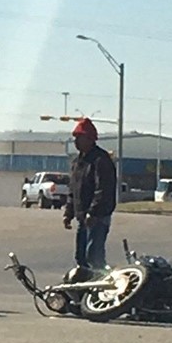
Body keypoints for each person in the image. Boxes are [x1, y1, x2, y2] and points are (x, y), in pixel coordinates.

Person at [61, 116, 119, 280]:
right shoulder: (78, 162)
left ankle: (104, 284)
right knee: (81, 257)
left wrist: (93, 212)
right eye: (75, 138)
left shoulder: (101, 160)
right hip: (83, 218)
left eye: (79, 138)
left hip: (98, 217)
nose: (76, 142)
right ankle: (85, 287)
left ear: (90, 139)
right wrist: (68, 213)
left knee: (94, 256)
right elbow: (73, 190)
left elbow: (104, 189)